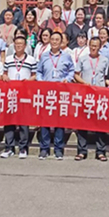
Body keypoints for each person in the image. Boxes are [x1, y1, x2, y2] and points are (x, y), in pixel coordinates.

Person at [36, 31, 75, 160]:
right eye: (52, 39)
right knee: (45, 120)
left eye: (57, 39)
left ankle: (58, 149)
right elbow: (38, 71)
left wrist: (67, 80)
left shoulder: (66, 56)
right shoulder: (44, 56)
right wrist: (41, 81)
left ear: (61, 41)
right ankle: (44, 148)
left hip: (60, 92)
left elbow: (71, 71)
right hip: (47, 92)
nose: (54, 42)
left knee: (59, 120)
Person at [73, 37, 109, 161]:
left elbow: (106, 77)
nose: (93, 48)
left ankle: (100, 151)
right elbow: (76, 75)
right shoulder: (82, 59)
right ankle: (82, 151)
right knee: (83, 123)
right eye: (92, 45)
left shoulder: (105, 60)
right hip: (86, 95)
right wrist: (85, 83)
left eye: (96, 46)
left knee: (100, 124)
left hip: (100, 95)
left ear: (100, 47)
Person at [1, 34, 37, 159]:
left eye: (21, 44)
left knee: (23, 121)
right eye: (16, 44)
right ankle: (9, 147)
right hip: (10, 93)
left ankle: (23, 148)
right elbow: (4, 73)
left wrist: (28, 81)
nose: (18, 46)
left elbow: (35, 75)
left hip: (24, 93)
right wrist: (4, 77)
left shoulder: (31, 60)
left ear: (25, 46)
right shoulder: (8, 59)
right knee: (9, 121)